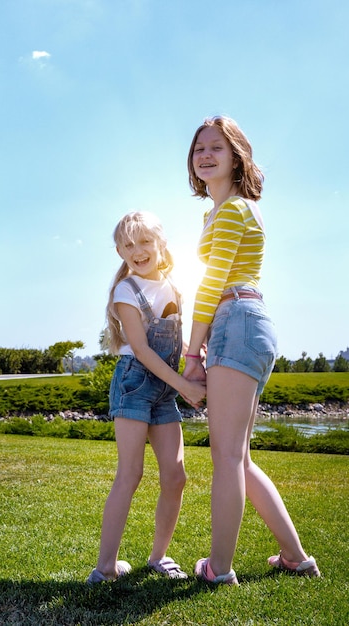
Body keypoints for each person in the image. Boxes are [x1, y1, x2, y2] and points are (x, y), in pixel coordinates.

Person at [183, 116, 320, 585]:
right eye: (198, 147)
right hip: (249, 322)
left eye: (215, 147)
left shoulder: (232, 210)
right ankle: (295, 558)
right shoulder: (224, 211)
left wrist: (191, 352)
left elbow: (212, 283)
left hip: (235, 321)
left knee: (225, 456)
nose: (204, 154)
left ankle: (218, 569)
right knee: (238, 456)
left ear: (237, 155)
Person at [86, 211, 206, 584]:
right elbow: (140, 349)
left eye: (144, 242)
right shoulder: (126, 291)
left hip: (164, 387)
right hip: (135, 383)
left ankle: (158, 557)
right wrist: (185, 387)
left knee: (175, 476)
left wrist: (195, 362)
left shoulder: (174, 287)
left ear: (161, 244)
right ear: (120, 251)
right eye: (128, 245)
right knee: (131, 473)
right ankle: (105, 568)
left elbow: (178, 342)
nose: (137, 251)